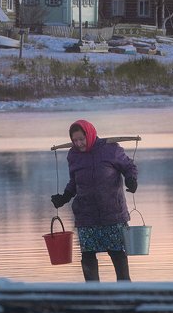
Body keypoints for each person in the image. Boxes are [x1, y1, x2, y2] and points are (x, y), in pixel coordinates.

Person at [51, 119, 138, 282]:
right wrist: (64, 197)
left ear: (89, 134)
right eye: (75, 141)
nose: (78, 144)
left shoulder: (110, 149)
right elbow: (74, 182)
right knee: (88, 255)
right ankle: (93, 293)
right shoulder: (73, 155)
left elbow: (128, 166)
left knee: (117, 253)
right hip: (86, 215)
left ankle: (125, 291)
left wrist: (131, 180)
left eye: (81, 139)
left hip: (112, 213)